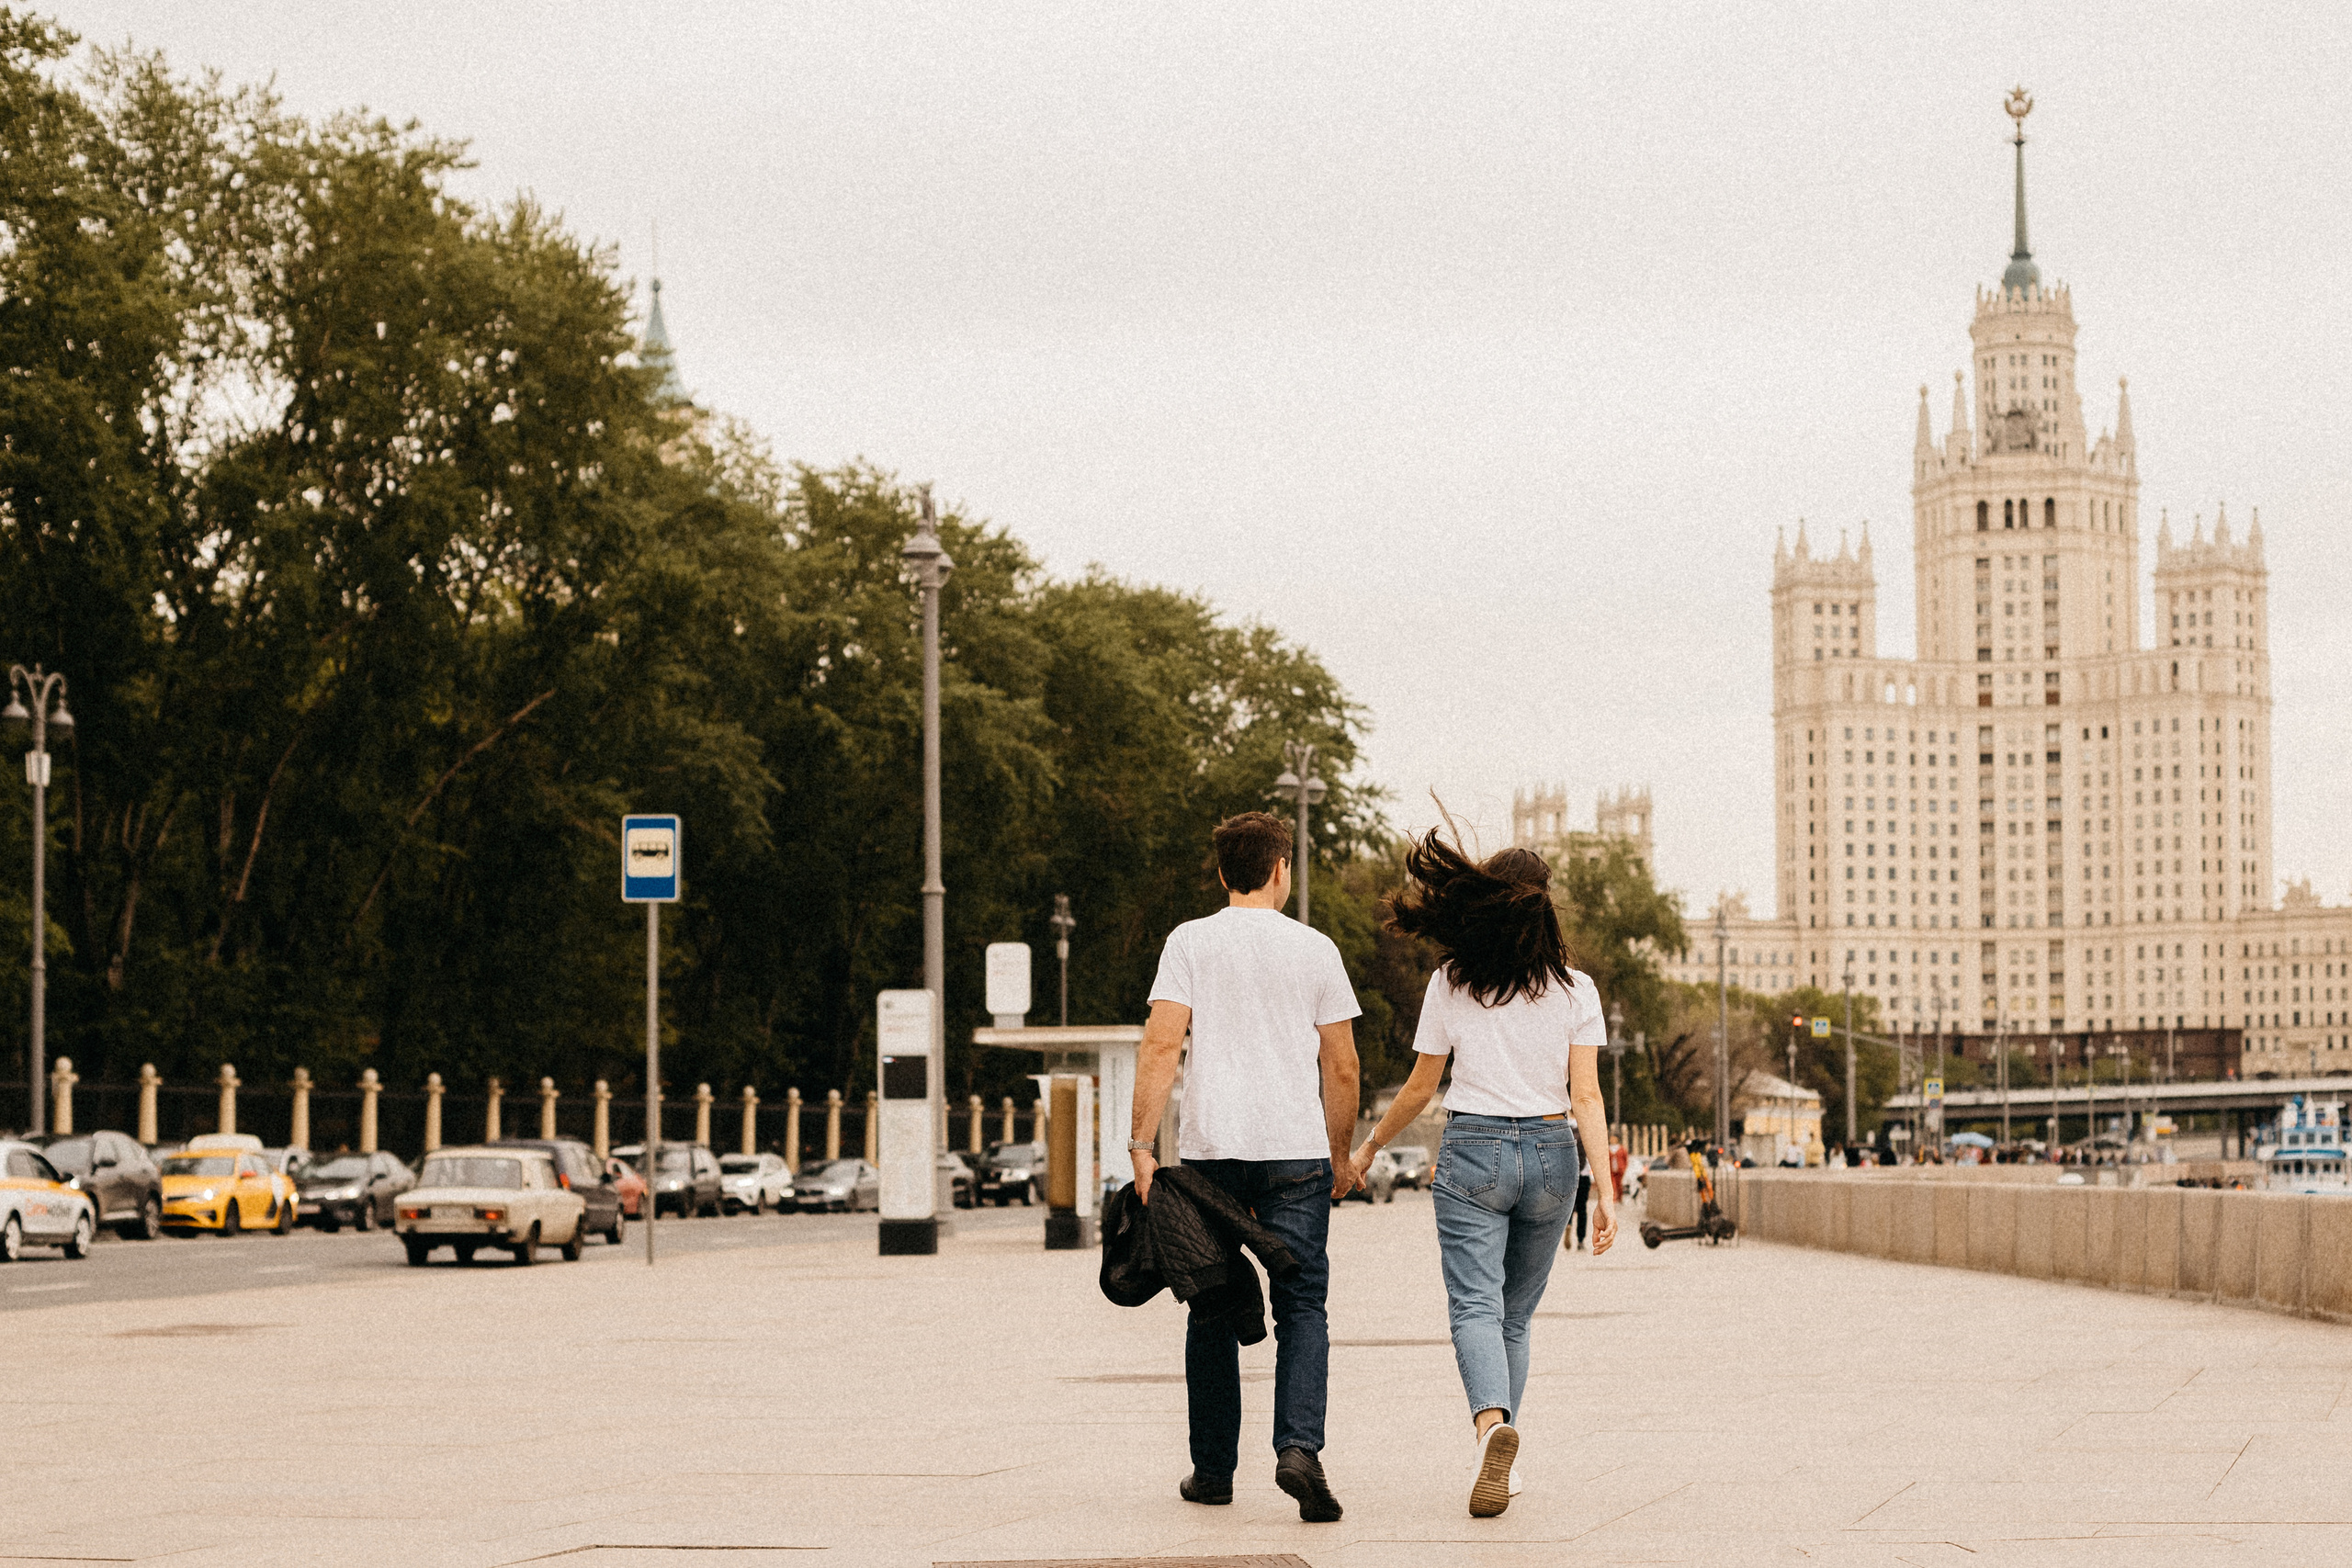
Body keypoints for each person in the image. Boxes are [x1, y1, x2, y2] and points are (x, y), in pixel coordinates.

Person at [1348, 829, 1615, 1519]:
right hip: (1555, 1153)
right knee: (1515, 1317)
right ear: (1545, 907)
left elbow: (1419, 1086)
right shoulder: (1575, 988)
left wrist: (1371, 1144)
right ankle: (1498, 1450)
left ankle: (1491, 1431)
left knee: (1475, 1306)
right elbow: (1586, 1093)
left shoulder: (1452, 981)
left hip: (1474, 1149)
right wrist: (1608, 1190)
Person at [1127, 810, 1363, 1523]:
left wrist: (1143, 1145)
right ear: (1282, 869)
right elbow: (1343, 1064)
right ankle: (1299, 1449)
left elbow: (1161, 1045)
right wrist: (1340, 1155)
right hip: (1294, 1155)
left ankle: (1212, 1471)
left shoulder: (1189, 941)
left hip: (1207, 1157)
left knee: (1210, 1306)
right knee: (1302, 1303)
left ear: (1224, 872)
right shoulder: (1316, 948)